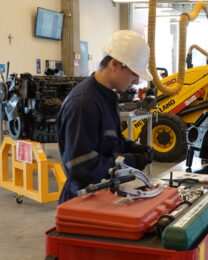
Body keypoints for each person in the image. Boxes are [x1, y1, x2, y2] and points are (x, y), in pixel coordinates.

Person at [57, 30, 154, 204]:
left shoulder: (106, 96)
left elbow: (109, 141)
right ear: (115, 65)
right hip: (84, 201)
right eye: (134, 73)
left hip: (103, 194)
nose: (137, 81)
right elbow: (82, 167)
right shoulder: (84, 103)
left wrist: (132, 148)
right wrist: (131, 162)